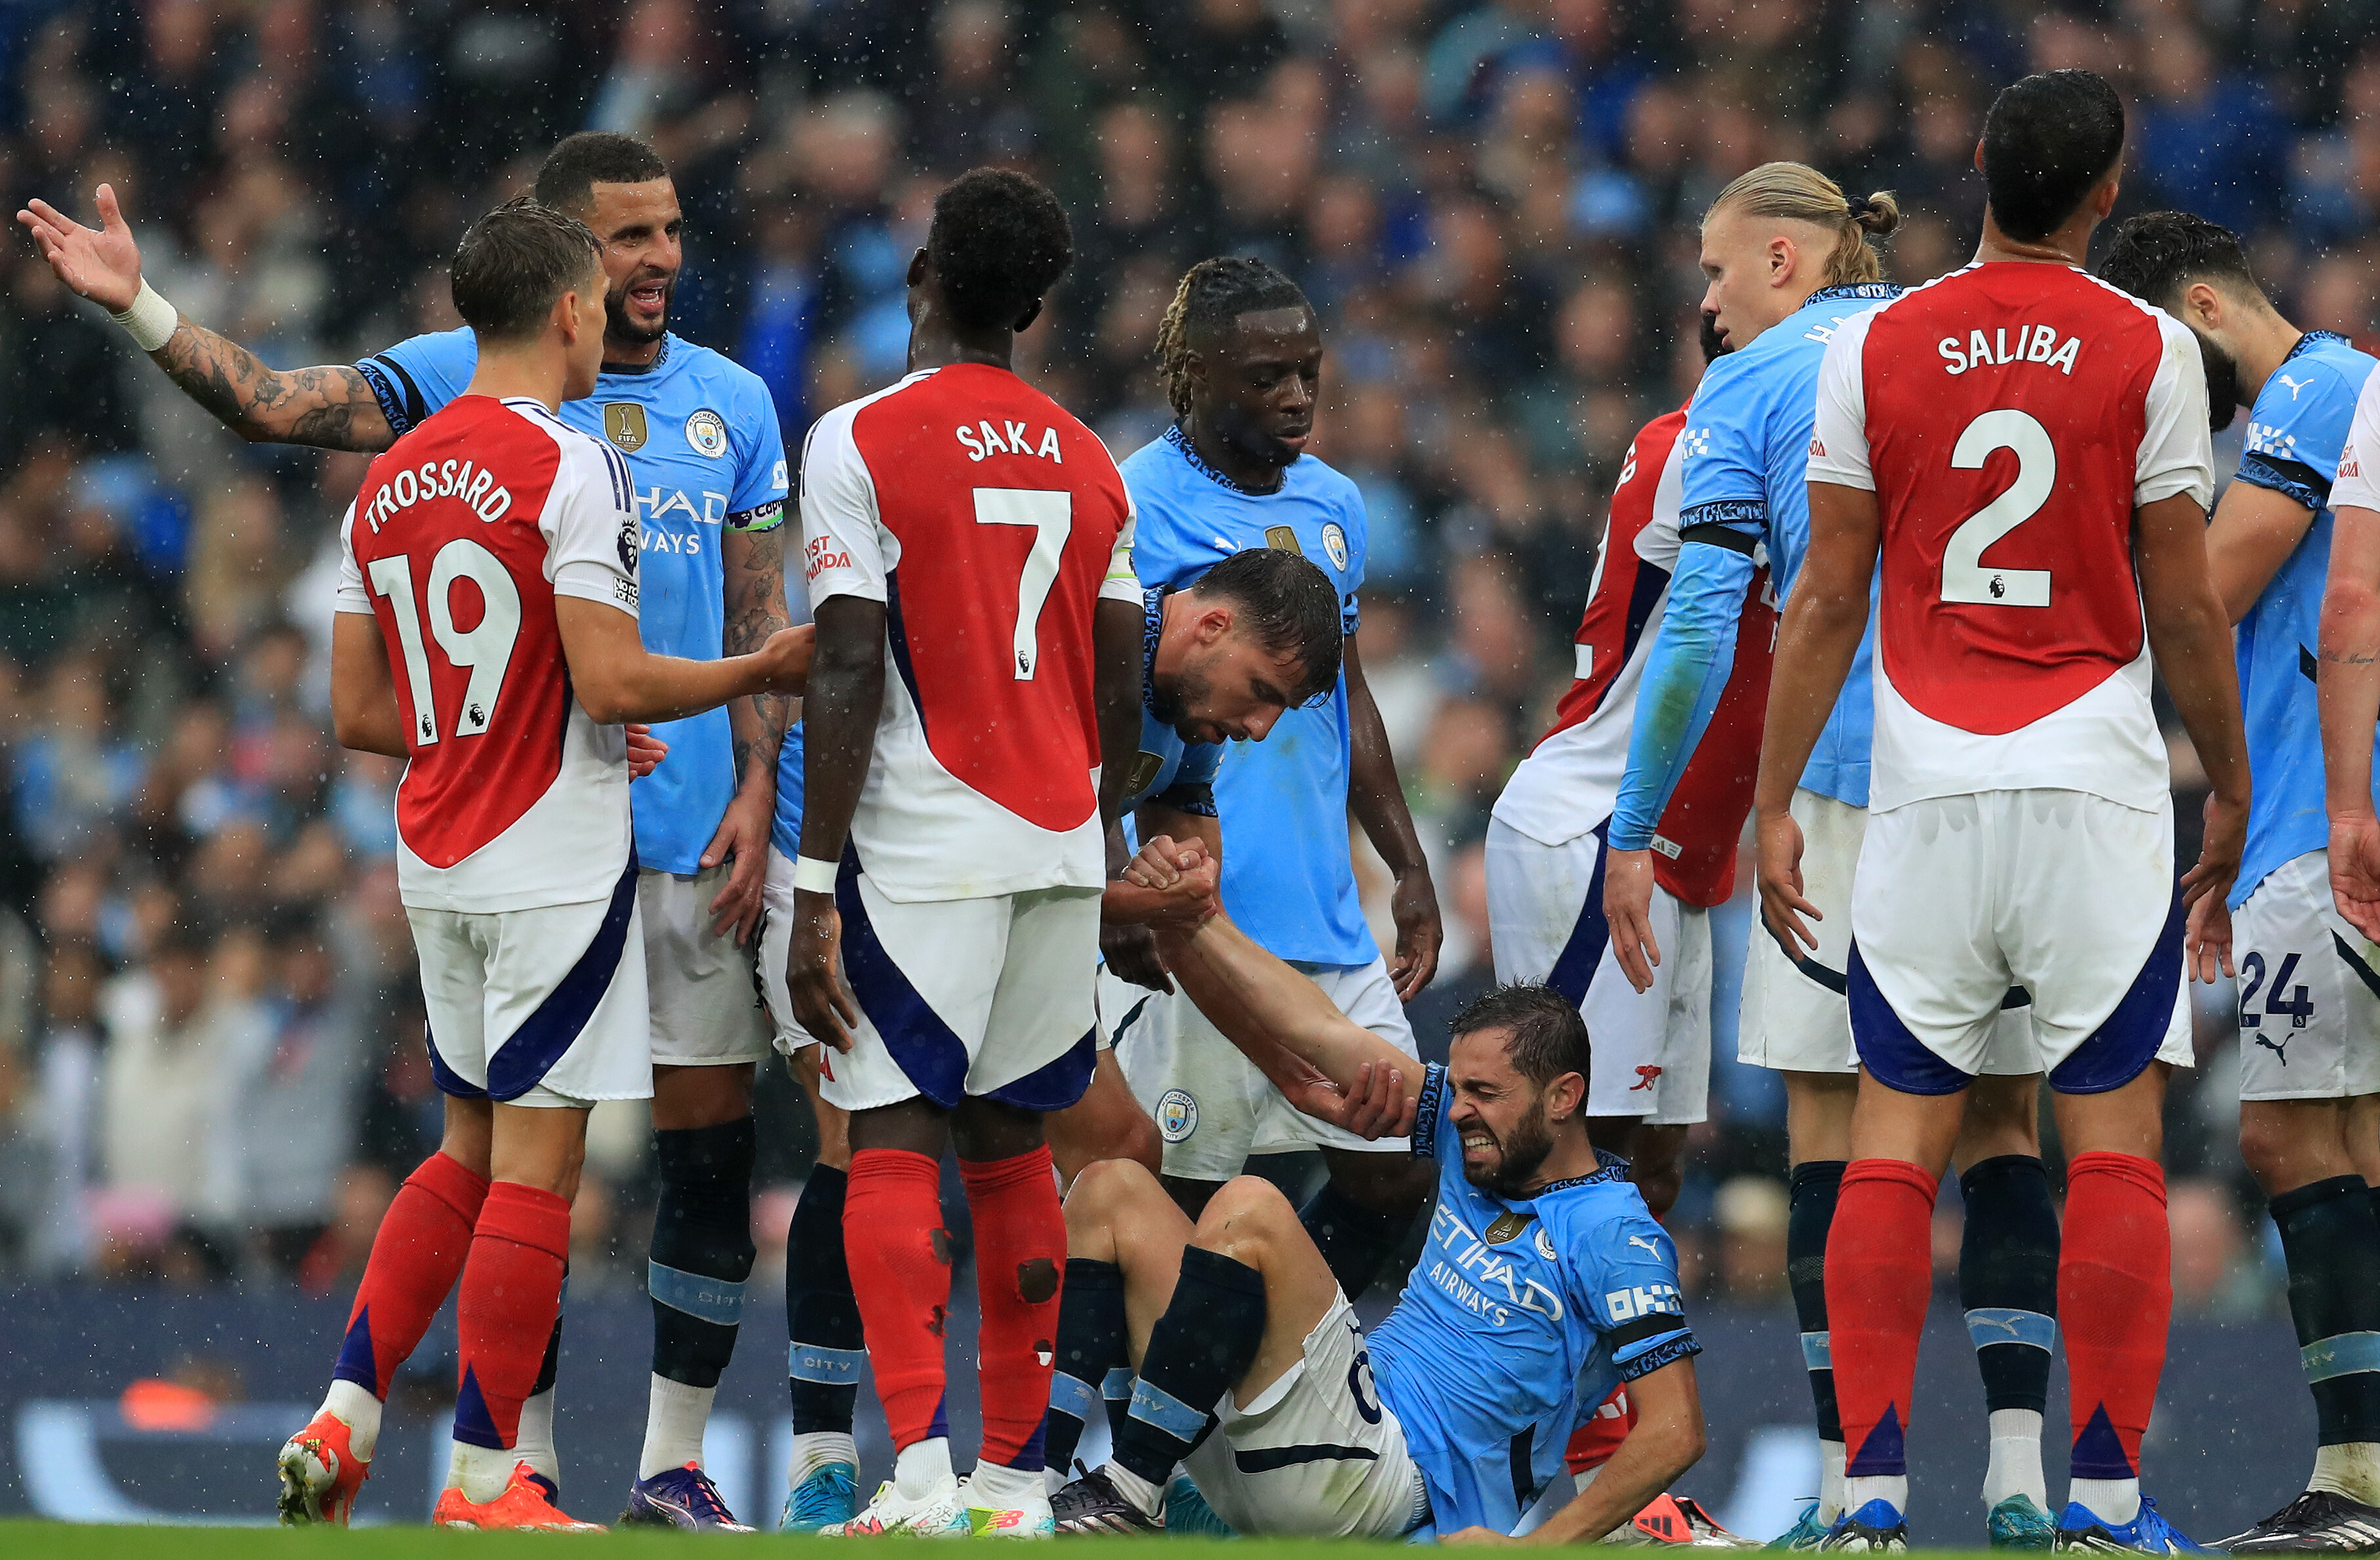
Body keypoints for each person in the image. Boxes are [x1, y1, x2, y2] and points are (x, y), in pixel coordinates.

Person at [21, 133, 794, 1530]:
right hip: (562, 835)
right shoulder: (495, 413)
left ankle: (600, 1451)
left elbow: (370, 701)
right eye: (626, 238)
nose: (660, 259)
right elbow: (264, 399)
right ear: (559, 267)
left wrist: (753, 780)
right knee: (539, 1170)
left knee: (638, 1153)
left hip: (618, 842)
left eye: (672, 229)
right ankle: (511, 1465)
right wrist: (141, 305)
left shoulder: (720, 404)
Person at [1604, 161, 2127, 1549]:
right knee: (2006, 1123)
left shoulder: (1758, 381)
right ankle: (2019, 1474)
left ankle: (1856, 1495)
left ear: (1782, 260)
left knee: (1838, 1137)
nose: (1705, 304)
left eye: (1715, 273)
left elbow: (1705, 628)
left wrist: (1636, 822)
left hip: (1841, 792)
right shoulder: (1941, 336)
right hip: (1999, 771)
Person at [1757, 69, 2242, 1553]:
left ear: (1975, 167)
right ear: (2106, 196)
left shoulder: (1880, 344)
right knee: (2107, 1145)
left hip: (1926, 789)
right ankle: (2098, 1503)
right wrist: (2223, 776)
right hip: (2091, 779)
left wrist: (1774, 797)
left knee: (1893, 1142)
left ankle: (1871, 1495)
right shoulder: (2149, 345)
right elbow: (2180, 594)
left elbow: (1828, 591)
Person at [277, 198, 810, 1532]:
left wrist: (519, 713)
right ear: (568, 310)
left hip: (437, 855)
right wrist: (759, 665)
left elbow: (355, 710)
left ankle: (343, 1413)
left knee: (460, 1151)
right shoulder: (574, 466)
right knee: (536, 1175)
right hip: (551, 861)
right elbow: (614, 674)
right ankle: (477, 1478)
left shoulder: (389, 479)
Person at [760, 543, 1347, 1532]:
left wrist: (1166, 882)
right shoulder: (1084, 644)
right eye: (1260, 693)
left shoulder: (1183, 702)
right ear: (1209, 626)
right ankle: (828, 1459)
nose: (1255, 727)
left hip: (1016, 888)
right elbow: (1014, 839)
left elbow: (1142, 868)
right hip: (861, 862)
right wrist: (1141, 898)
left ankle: (1090, 1474)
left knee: (1118, 1148)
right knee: (868, 1132)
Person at [782, 166, 1141, 1539]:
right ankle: (1011, 1482)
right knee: (1010, 1154)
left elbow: (849, 657)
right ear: (1037, 305)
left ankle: (920, 1474)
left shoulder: (860, 437)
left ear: (921, 275)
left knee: (888, 1134)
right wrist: (1099, 835)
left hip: (923, 837)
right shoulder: (1089, 458)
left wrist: (815, 884)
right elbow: (1121, 682)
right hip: (1057, 837)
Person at [1044, 872, 1704, 1543]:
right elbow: (1316, 1025)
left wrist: (1535, 1548)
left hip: (1391, 1485)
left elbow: (1676, 1428)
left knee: (1248, 1206)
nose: (1461, 1108)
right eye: (1459, 1086)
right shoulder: (1467, 1129)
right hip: (1310, 1442)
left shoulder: (1614, 1231)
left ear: (1562, 1097)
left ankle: (1131, 1485)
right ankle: (1049, 1484)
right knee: (1111, 1189)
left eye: (1485, 1091)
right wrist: (1200, 915)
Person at [2099, 210, 2380, 1555]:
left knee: (2294, 1134)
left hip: (2331, 831)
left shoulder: (2320, 388)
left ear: (2199, 308)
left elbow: (2203, 593)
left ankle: (2358, 1482)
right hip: (2287, 823)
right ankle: (2358, 1479)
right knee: (2330, 1134)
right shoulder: (2302, 411)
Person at [1112, 255, 1441, 1304]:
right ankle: (1164, 1450)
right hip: (1198, 909)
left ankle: (1288, 1357)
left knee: (1402, 1160)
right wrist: (1123, 884)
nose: (1297, 395)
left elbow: (1348, 696)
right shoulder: (1131, 499)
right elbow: (1112, 714)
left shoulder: (1336, 504)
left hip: (1327, 909)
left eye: (1308, 370)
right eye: (1265, 377)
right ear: (1196, 374)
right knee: (1189, 1194)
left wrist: (1406, 861)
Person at [1487, 318, 1766, 1227]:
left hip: (1669, 851)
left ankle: (1617, 1373)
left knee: (1650, 1170)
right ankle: (1485, 1358)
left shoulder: (1746, 449)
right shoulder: (1705, 453)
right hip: (1598, 832)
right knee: (1569, 1157)